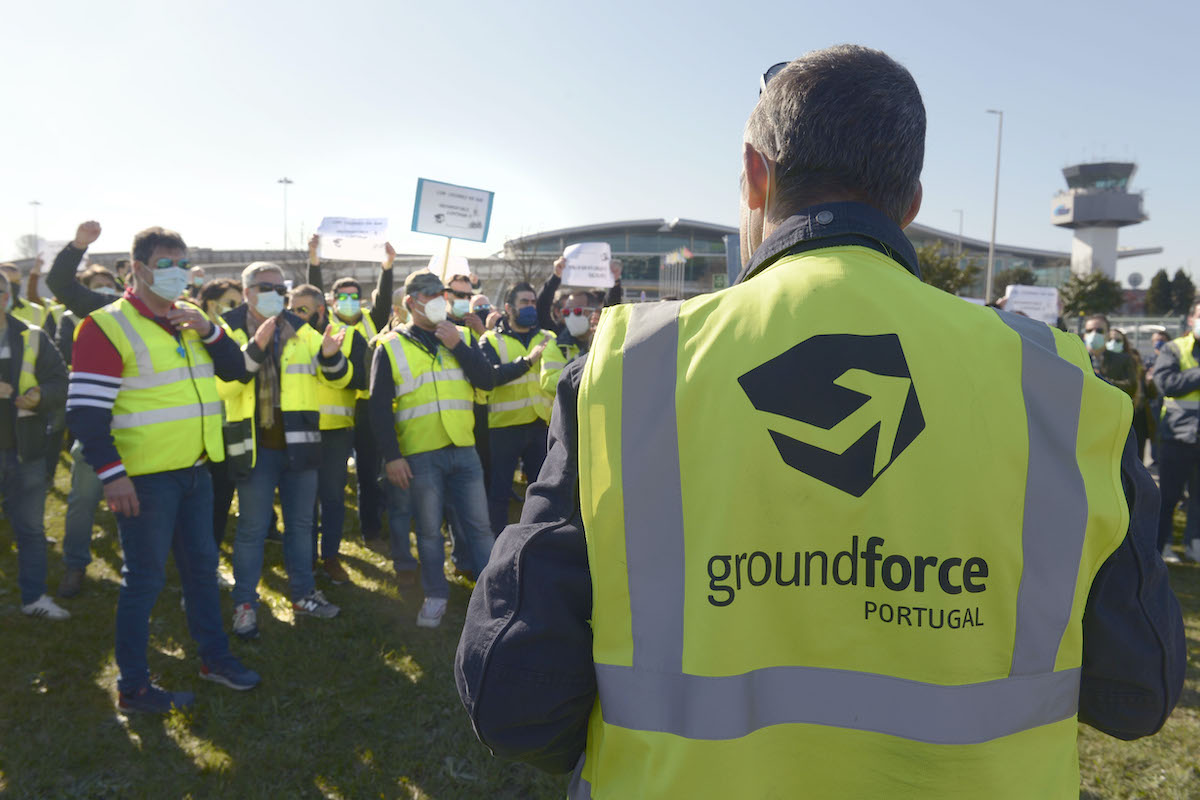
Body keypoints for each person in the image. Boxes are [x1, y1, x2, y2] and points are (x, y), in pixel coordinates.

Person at [456, 46, 1186, 799]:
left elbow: (514, 701)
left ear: (754, 175)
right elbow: (1136, 695)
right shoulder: (1061, 386)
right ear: (910, 203)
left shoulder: (630, 370)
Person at [68, 225, 261, 712]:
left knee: (201, 570)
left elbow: (237, 370)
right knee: (145, 581)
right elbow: (85, 413)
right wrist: (112, 474)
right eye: (166, 264)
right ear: (138, 270)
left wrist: (211, 331)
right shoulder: (104, 325)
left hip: (196, 470)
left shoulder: (191, 318)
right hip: (144, 480)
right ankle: (133, 687)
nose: (176, 273)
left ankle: (214, 657)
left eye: (182, 263)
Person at [220, 261, 351, 639]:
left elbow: (338, 376)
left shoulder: (301, 329)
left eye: (282, 288)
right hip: (255, 447)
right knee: (252, 528)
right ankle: (245, 603)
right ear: (247, 292)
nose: (277, 294)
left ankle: (303, 593)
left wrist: (329, 355)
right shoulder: (228, 330)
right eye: (267, 287)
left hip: (301, 445)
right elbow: (223, 388)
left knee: (300, 525)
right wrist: (256, 348)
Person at [369, 271, 498, 627]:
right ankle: (436, 594)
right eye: (430, 294)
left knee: (480, 528)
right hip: (420, 453)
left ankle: (493, 596)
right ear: (411, 302)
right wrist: (393, 457)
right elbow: (378, 409)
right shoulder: (390, 346)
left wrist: (458, 344)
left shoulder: (461, 335)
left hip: (463, 448)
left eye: (441, 293)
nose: (440, 300)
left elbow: (487, 380)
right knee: (428, 531)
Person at [307, 234, 393, 551]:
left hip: (369, 410)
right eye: (342, 296)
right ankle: (326, 535)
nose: (349, 300)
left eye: (354, 295)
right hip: (338, 412)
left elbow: (384, 298)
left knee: (370, 474)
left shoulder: (373, 320)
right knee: (331, 480)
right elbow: (312, 291)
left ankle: (371, 531)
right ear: (331, 301)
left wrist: (387, 266)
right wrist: (314, 259)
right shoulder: (323, 324)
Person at [287, 283, 369, 584]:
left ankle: (330, 557)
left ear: (320, 310)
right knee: (302, 501)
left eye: (302, 310)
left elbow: (360, 380)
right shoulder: (288, 336)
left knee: (332, 499)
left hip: (335, 433)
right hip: (299, 430)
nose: (295, 315)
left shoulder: (350, 337)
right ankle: (305, 559)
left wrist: (332, 361)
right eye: (292, 309)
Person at [0, 270, 69, 620]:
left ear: (8, 296)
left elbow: (60, 382)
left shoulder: (33, 336)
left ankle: (33, 597)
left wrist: (40, 397)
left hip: (24, 450)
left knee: (30, 528)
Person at [479, 283, 551, 535]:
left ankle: (538, 541)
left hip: (540, 425)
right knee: (499, 493)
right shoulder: (489, 340)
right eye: (525, 302)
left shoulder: (548, 338)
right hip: (504, 428)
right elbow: (490, 377)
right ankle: (495, 546)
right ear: (509, 308)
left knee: (542, 491)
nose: (531, 307)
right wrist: (528, 362)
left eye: (533, 302)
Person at [1151, 300, 1200, 563]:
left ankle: (1195, 545)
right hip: (1177, 436)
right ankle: (1161, 547)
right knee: (1168, 497)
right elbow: (1166, 383)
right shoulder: (1174, 349)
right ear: (1191, 319)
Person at [536, 256, 624, 333]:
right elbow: (542, 307)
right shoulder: (558, 337)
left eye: (577, 311)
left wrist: (614, 281)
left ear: (593, 312)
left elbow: (612, 309)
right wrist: (556, 276)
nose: (571, 316)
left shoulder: (601, 338)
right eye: (566, 312)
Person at [1082, 314, 1136, 398]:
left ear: (1108, 334)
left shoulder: (1122, 359)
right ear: (1085, 335)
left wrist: (1101, 380)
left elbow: (1131, 387)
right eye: (1089, 331)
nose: (1094, 334)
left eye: (1099, 331)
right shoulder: (1075, 358)